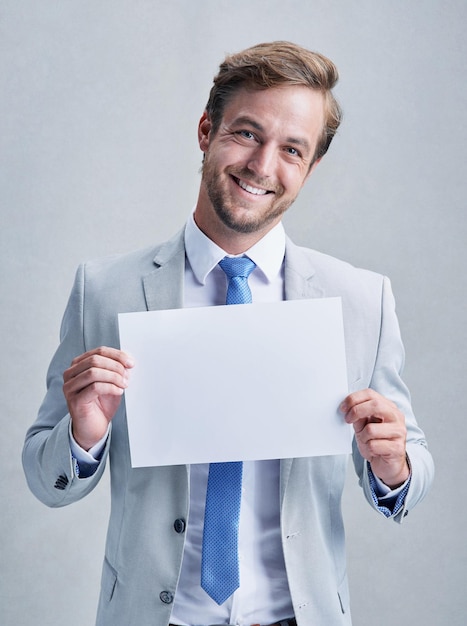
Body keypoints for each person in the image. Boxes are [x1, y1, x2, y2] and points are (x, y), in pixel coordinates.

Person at [22, 41, 434, 626]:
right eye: (246, 133)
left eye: (292, 149)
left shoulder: (362, 300)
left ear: (311, 167)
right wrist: (84, 436)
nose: (263, 166)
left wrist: (394, 468)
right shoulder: (105, 289)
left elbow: (412, 464)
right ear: (206, 130)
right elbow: (46, 479)